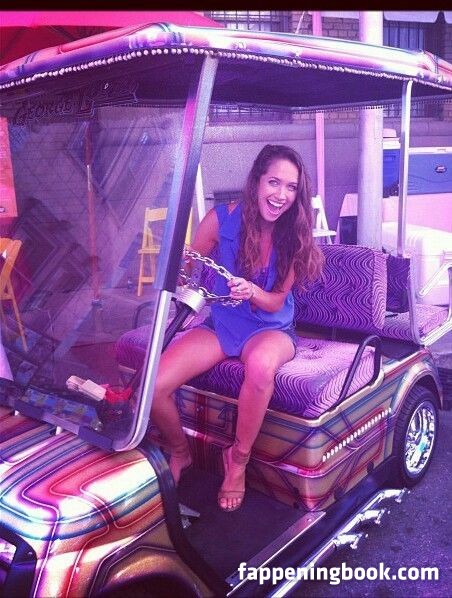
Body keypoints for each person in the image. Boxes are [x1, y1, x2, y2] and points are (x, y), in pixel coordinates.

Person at [151, 144, 324, 511]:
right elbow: (191, 267)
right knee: (155, 385)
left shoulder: (295, 234)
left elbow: (275, 302)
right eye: (274, 182)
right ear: (257, 181)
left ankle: (238, 460)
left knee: (261, 367)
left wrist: (252, 291)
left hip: (271, 328)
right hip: (222, 324)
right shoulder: (220, 220)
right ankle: (180, 450)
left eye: (291, 187)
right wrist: (177, 266)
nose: (281, 195)